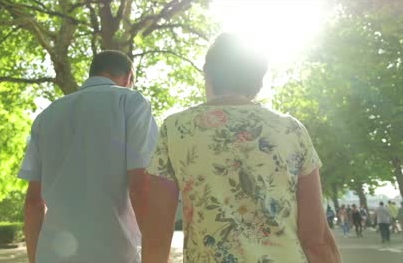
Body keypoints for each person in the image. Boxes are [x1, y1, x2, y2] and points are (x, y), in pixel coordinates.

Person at [130, 33, 341, 263]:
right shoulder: (291, 130)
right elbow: (316, 238)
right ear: (258, 81)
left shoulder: (177, 128)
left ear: (207, 73)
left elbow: (157, 235)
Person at [19, 51, 158, 263]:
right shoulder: (131, 102)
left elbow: (33, 203)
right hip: (115, 252)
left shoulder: (46, 116)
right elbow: (141, 187)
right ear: (129, 76)